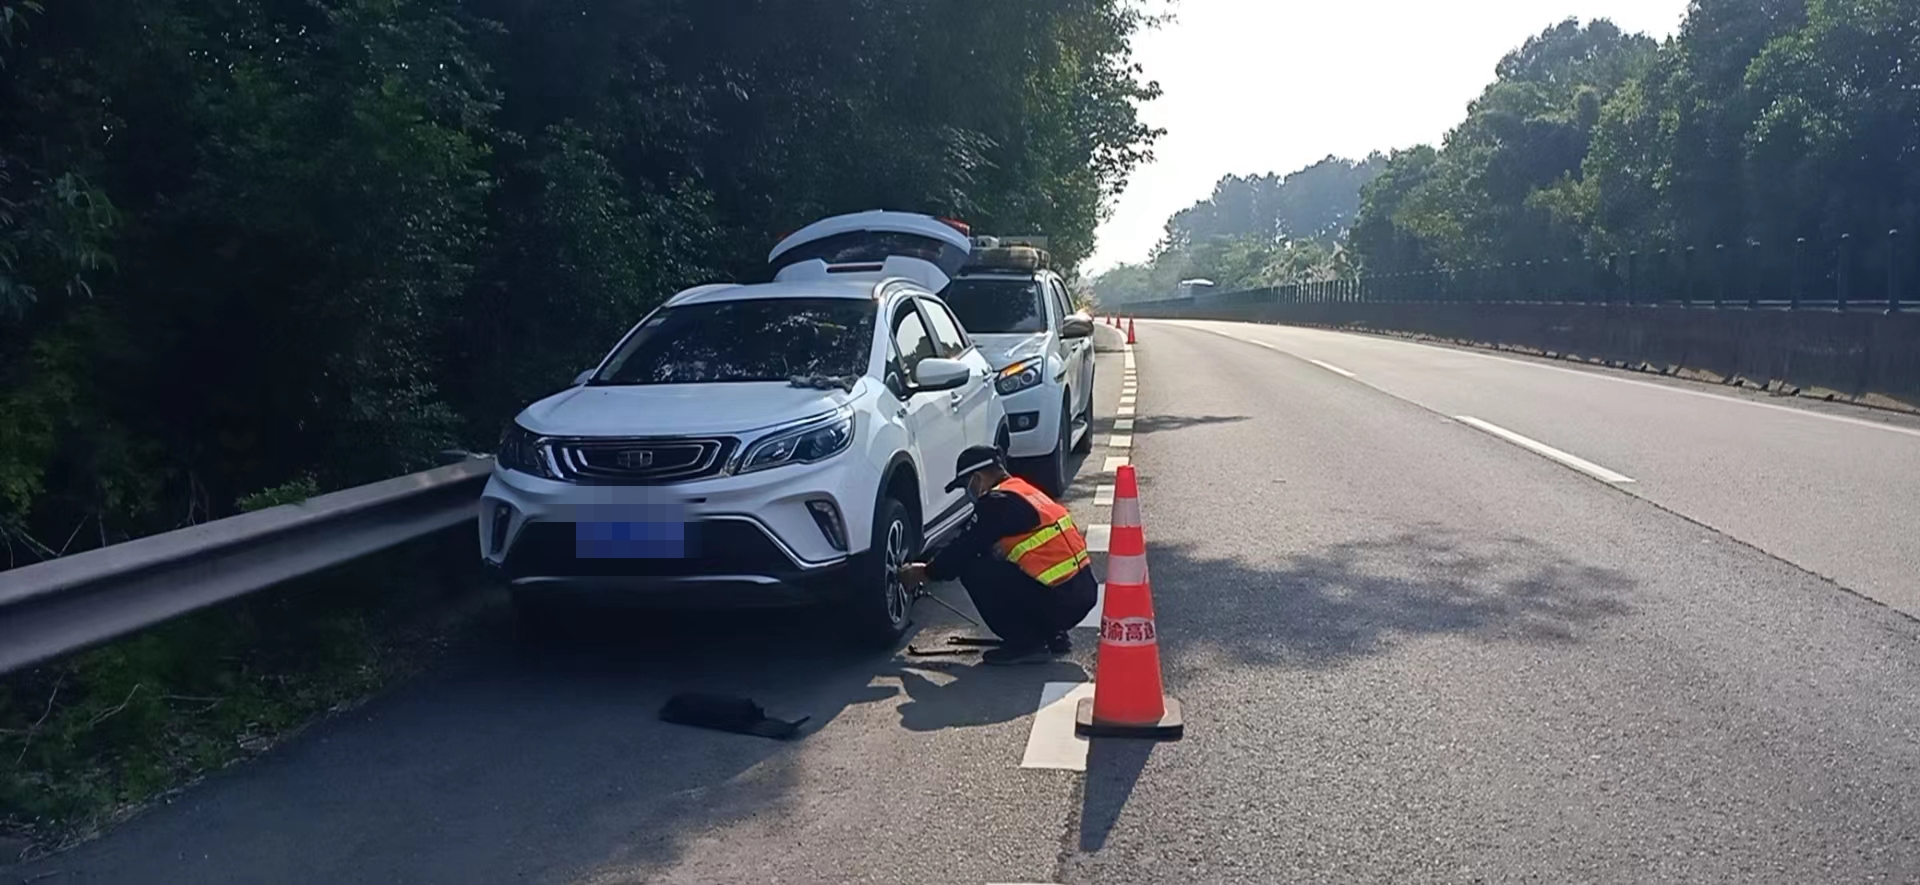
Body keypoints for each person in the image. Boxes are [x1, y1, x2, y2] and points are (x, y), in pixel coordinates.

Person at [897, 445, 1098, 665]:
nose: (969, 492)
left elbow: (963, 548)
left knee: (972, 566)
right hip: (1081, 593)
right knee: (1000, 558)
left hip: (1060, 600)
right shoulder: (1024, 491)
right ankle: (1052, 633)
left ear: (978, 477)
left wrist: (926, 572)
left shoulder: (996, 502)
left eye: (967, 485)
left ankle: (1026, 643)